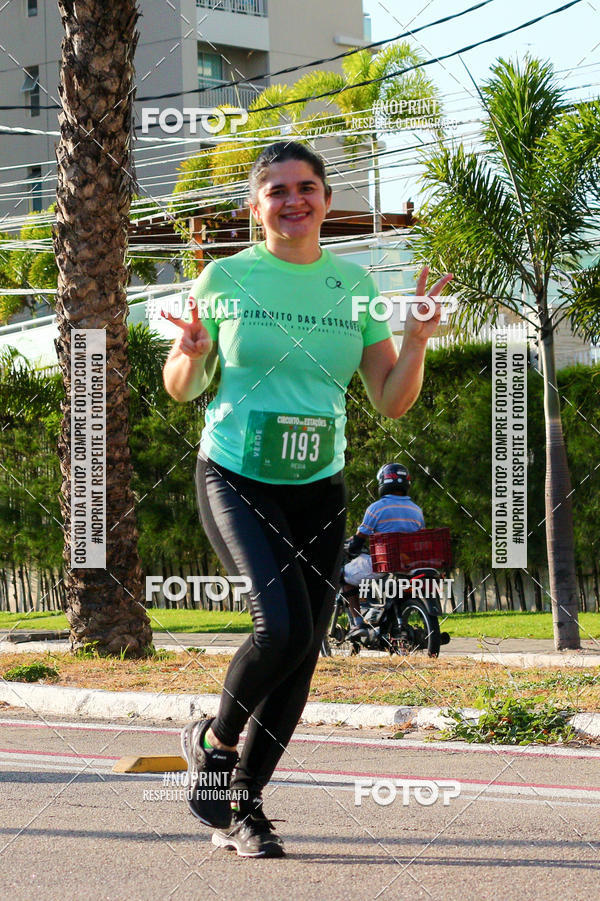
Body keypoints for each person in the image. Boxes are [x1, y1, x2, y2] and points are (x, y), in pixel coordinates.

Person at [162, 140, 452, 858]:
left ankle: (242, 809)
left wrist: (415, 343)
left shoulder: (353, 287)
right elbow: (183, 386)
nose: (293, 200)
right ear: (256, 206)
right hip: (235, 475)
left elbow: (389, 400)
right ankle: (215, 743)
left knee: (304, 652)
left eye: (306, 188)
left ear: (324, 199)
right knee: (280, 629)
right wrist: (193, 355)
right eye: (277, 191)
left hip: (319, 487)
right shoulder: (226, 277)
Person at [342, 463, 424, 640]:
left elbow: (358, 540)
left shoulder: (377, 508)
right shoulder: (417, 510)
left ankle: (357, 623)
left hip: (384, 562)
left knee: (344, 577)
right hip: (410, 563)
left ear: (383, 482)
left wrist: (351, 546)